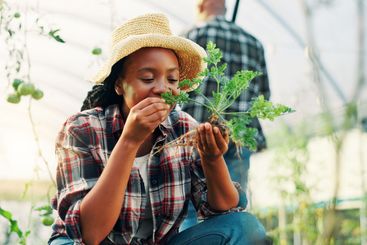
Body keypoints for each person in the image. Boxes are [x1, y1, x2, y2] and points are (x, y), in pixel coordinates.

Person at [48, 13, 266, 245]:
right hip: (84, 242)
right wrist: (129, 142)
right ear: (119, 84)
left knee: (245, 227)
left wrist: (212, 160)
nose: (163, 88)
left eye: (172, 80)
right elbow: (89, 234)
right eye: (148, 78)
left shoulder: (182, 127)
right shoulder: (81, 129)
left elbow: (224, 209)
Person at [180, 0, 271, 230]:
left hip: (197, 136)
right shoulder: (254, 43)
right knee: (234, 209)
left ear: (201, 5)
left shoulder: (190, 36)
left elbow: (175, 90)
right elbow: (263, 96)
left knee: (189, 210)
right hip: (239, 138)